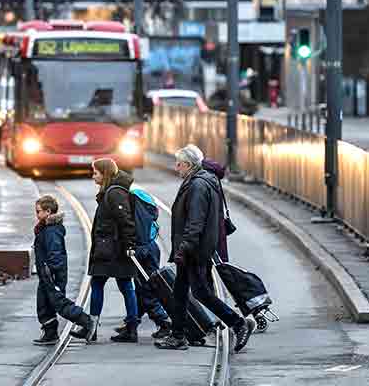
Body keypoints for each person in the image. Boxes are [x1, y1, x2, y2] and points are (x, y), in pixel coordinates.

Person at [155, 144, 254, 353]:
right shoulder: (199, 181)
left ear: (189, 165)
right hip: (194, 248)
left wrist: (184, 249)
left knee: (201, 292)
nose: (176, 168)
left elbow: (195, 222)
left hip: (195, 250)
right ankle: (178, 335)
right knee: (180, 292)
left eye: (179, 164)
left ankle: (238, 323)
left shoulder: (198, 186)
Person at [70, 158, 139, 343]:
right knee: (125, 286)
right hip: (112, 247)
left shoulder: (114, 194)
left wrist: (130, 246)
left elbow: (126, 222)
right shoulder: (111, 191)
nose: (93, 177)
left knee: (101, 284)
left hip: (112, 249)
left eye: (96, 173)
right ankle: (131, 329)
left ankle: (93, 329)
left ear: (105, 174)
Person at [113, 172, 173, 339]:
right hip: (151, 246)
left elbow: (131, 226)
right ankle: (132, 320)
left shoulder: (129, 200)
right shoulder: (141, 195)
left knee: (145, 287)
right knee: (149, 285)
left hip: (139, 248)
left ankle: (163, 322)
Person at [32, 194, 95, 345]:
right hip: (46, 273)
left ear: (48, 212)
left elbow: (56, 253)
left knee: (59, 303)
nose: (37, 214)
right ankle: (50, 332)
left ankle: (86, 322)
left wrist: (50, 270)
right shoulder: (45, 228)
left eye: (38, 211)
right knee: (43, 303)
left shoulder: (52, 231)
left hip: (52, 273)